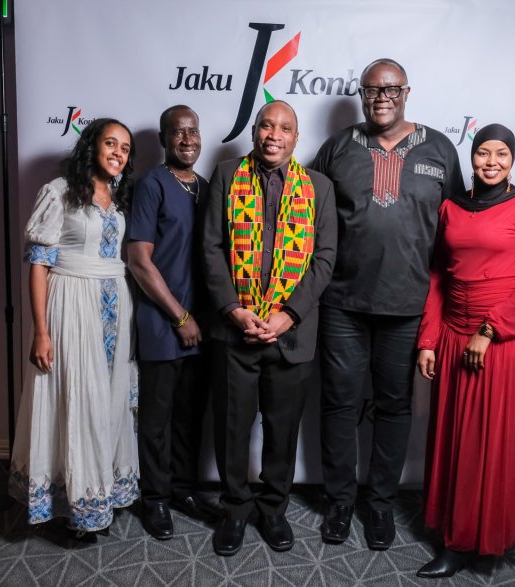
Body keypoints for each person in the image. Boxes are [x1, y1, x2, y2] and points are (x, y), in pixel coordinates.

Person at [312, 58, 464, 550]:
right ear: (361, 95)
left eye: (391, 89)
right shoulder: (337, 148)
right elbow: (307, 218)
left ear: (407, 93)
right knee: (339, 403)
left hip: (407, 306)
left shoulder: (440, 149)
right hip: (342, 303)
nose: (382, 97)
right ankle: (339, 501)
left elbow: (458, 228)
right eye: (372, 89)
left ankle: (379, 503)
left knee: (395, 407)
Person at [415, 123, 515, 578]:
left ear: (512, 160)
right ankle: (456, 539)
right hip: (455, 336)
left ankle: (489, 537)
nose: (491, 162)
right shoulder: (452, 207)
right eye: (482, 153)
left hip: (504, 342)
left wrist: (489, 330)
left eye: (501, 154)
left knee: (496, 442)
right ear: (471, 158)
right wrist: (429, 340)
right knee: (458, 441)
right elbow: (439, 276)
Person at [201, 100, 337, 556]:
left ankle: (274, 509)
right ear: (254, 131)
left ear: (297, 138)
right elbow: (211, 247)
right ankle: (235, 509)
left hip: (291, 333)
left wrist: (289, 314)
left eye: (284, 128)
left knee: (282, 430)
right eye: (266, 125)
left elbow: (325, 258)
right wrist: (231, 309)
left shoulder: (319, 186)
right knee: (232, 428)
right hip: (235, 329)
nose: (273, 135)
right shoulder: (226, 175)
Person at [9, 118, 140, 542]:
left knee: (108, 401)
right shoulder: (59, 191)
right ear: (92, 146)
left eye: (125, 148)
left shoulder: (118, 197)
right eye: (111, 143)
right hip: (71, 302)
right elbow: (39, 265)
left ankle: (98, 495)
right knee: (75, 399)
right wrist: (41, 331)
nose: (118, 153)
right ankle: (72, 507)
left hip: (114, 306)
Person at [127, 105, 216, 540]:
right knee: (157, 419)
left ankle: (184, 489)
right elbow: (138, 261)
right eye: (177, 132)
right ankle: (156, 498)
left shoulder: (206, 186)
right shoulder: (152, 185)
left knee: (190, 415)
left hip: (203, 323)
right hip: (165, 321)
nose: (187, 139)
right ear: (164, 139)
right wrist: (180, 316)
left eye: (193, 131)